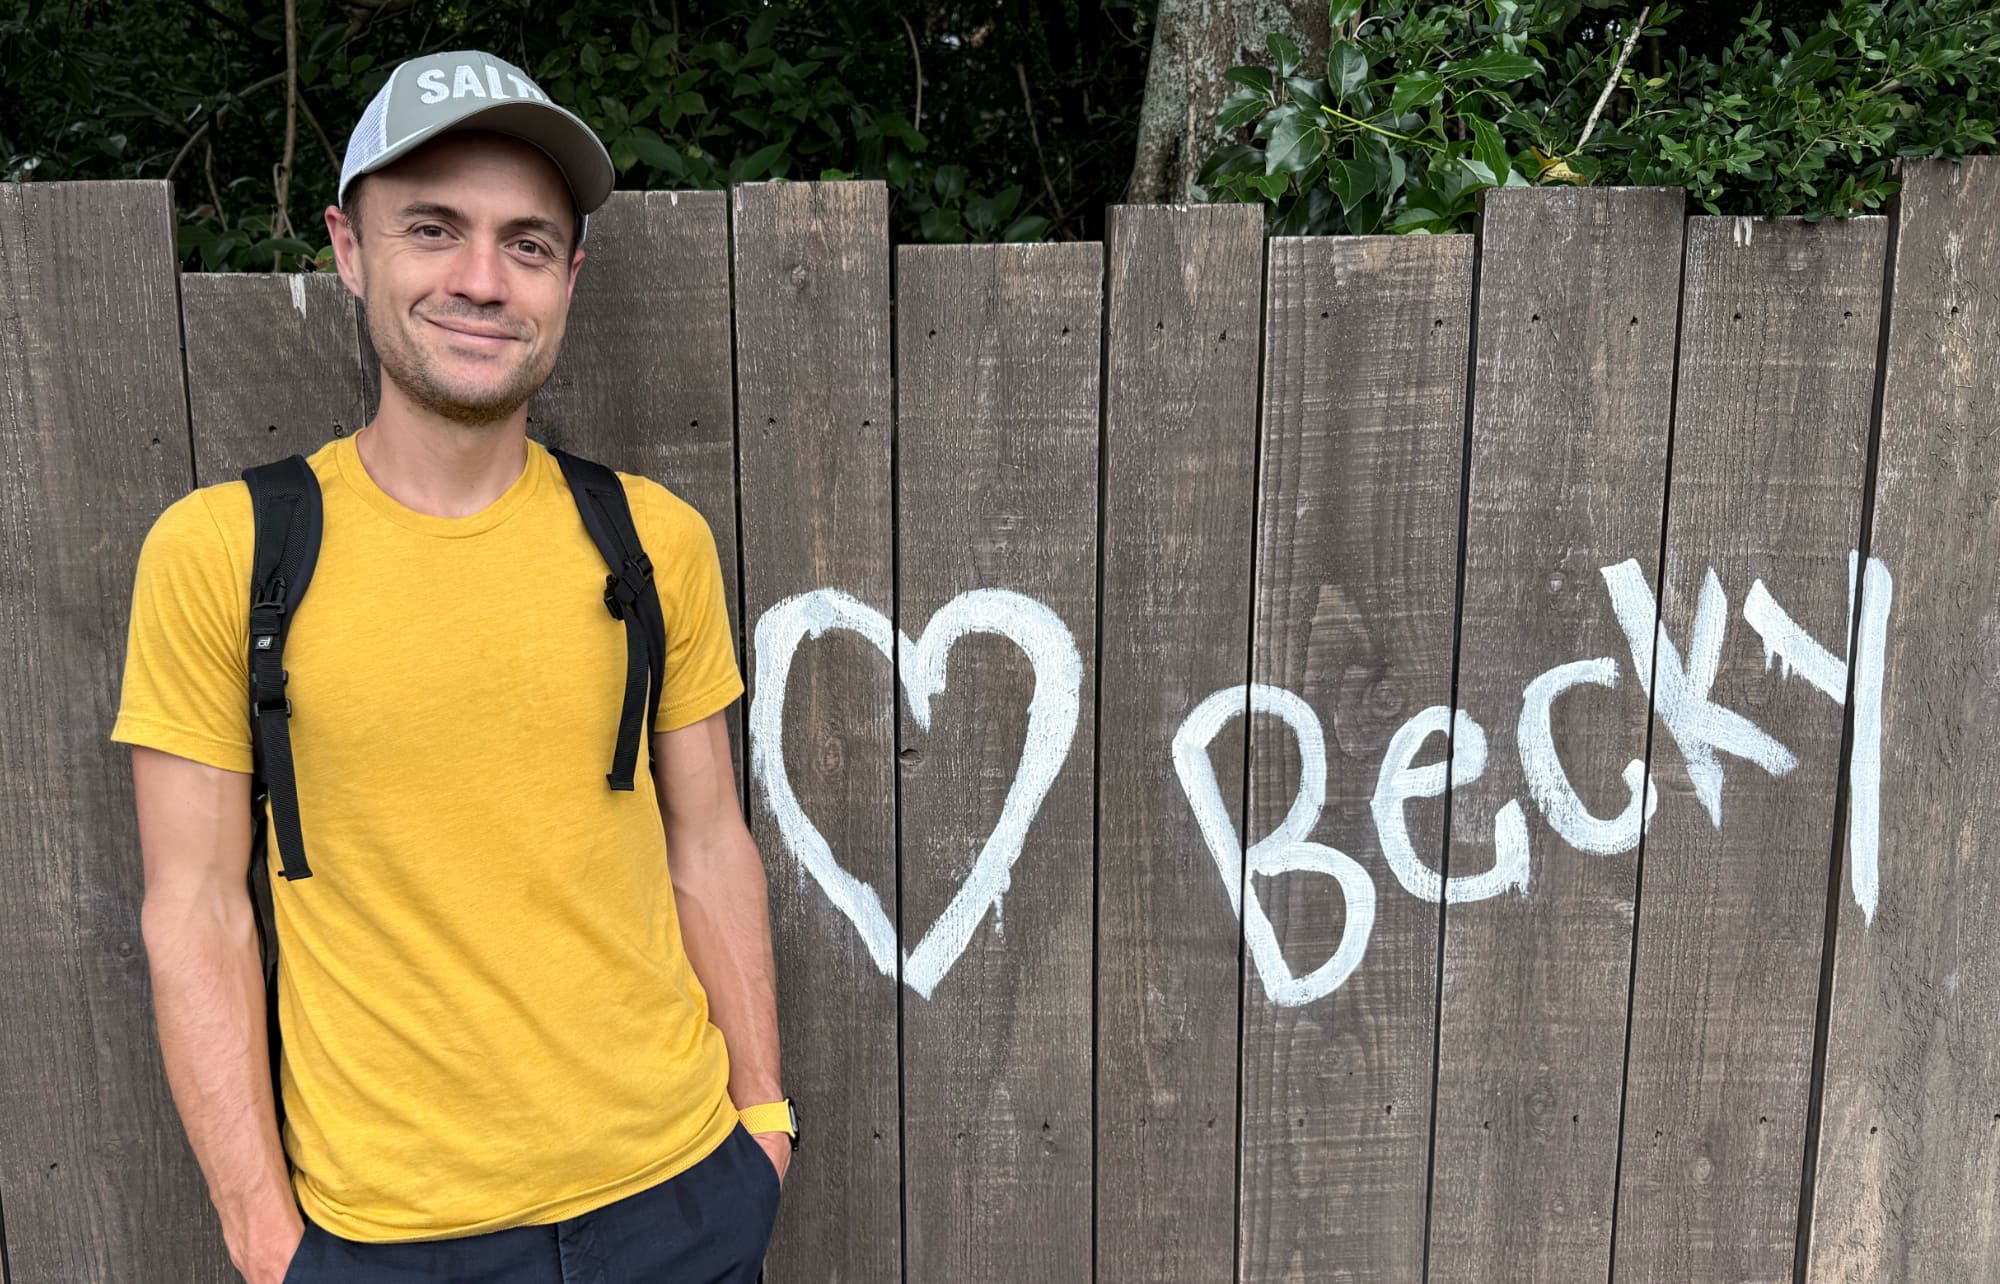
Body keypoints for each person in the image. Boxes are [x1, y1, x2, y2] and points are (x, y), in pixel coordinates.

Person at [110, 48, 796, 1283]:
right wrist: (266, 1240)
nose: (482, 280)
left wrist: (761, 1122)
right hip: (390, 1239)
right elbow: (196, 910)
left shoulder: (652, 540)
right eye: (433, 229)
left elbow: (706, 841)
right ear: (349, 247)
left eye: (527, 243)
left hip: (684, 1196)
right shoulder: (225, 554)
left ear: (569, 276)